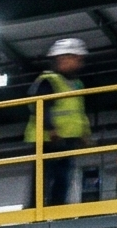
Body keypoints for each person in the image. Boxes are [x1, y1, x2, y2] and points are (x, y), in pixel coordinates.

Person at [27, 38, 91, 208]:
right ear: (63, 58)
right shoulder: (48, 80)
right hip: (48, 138)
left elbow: (78, 110)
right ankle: (36, 209)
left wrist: (84, 133)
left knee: (63, 175)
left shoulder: (76, 84)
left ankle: (57, 208)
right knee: (44, 176)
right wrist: (51, 128)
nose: (80, 62)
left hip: (67, 138)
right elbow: (40, 106)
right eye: (77, 58)